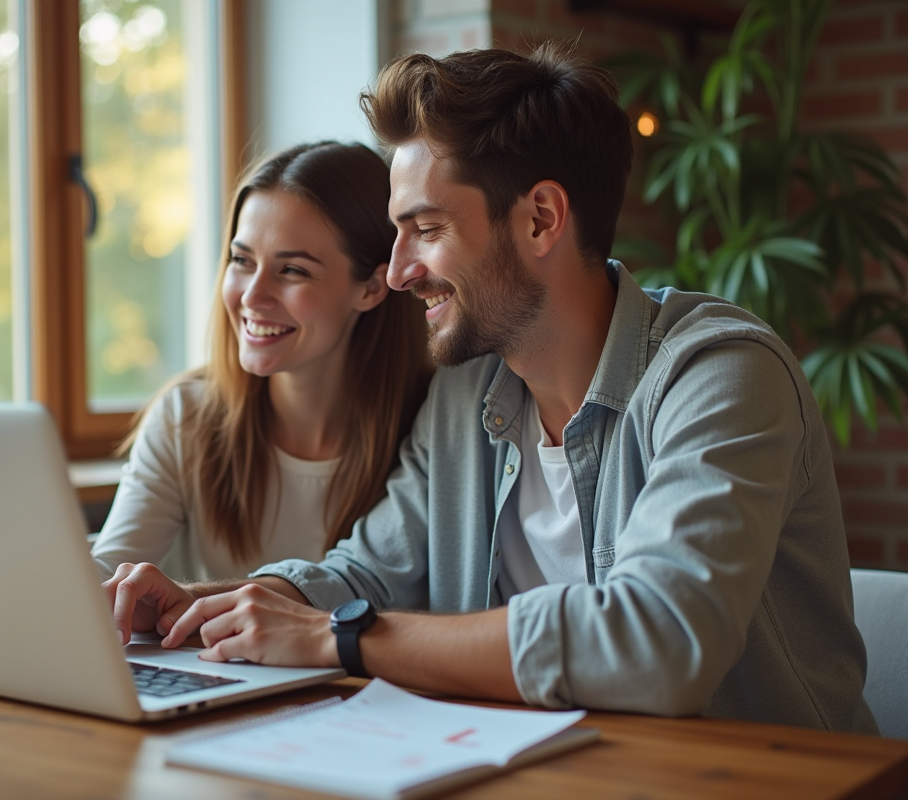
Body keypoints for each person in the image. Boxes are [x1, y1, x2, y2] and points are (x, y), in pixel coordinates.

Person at [104, 44, 877, 733]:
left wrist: (346, 637)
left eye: (427, 230)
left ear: (541, 219)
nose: (400, 269)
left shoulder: (720, 376)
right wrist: (209, 604)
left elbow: (660, 641)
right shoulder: (465, 395)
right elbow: (366, 574)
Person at [91, 142, 431, 583]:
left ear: (370, 286)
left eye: (292, 270)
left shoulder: (434, 426)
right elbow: (107, 574)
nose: (252, 296)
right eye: (241, 260)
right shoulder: (186, 417)